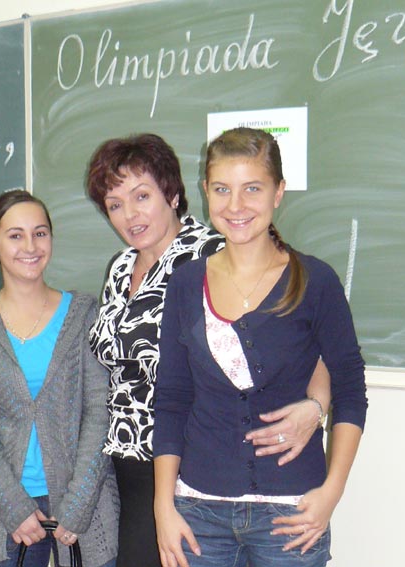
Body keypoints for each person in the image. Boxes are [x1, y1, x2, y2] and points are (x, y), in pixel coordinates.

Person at [87, 133, 331, 567]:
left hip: (191, 463)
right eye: (115, 204)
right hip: (126, 463)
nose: (130, 214)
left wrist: (315, 408)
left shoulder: (213, 253)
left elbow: (309, 348)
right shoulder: (122, 266)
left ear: (173, 193)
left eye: (142, 196)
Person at [152, 127, 368, 567]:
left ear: (278, 192)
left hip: (292, 512)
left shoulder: (315, 281)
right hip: (198, 512)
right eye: (222, 189)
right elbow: (172, 399)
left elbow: (350, 391)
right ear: (206, 192)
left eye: (252, 188)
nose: (236, 205)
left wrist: (332, 492)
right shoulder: (186, 283)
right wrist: (163, 507)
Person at [0, 190, 118, 567]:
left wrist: (77, 505)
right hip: (7, 515)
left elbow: (101, 412)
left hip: (84, 509)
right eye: (15, 235)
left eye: (40, 233)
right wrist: (14, 507)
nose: (30, 246)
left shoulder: (85, 315)